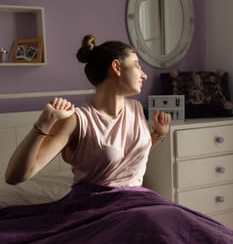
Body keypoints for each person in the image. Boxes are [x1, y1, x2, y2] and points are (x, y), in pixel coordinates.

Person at [1, 34, 233, 244]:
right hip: (98, 206)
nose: (143, 74)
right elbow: (15, 176)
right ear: (116, 67)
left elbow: (125, 158)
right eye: (137, 66)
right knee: (161, 221)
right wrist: (43, 124)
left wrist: (157, 136)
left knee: (191, 225)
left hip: (139, 201)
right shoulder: (77, 120)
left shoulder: (135, 109)